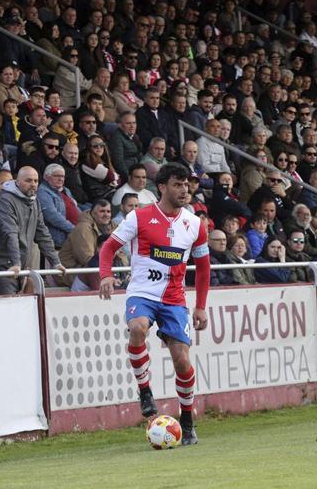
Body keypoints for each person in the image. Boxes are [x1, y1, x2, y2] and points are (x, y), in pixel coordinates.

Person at [98, 162, 211, 446]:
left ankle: (187, 419)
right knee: (137, 328)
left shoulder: (195, 224)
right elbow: (109, 247)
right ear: (161, 187)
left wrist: (200, 305)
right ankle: (145, 391)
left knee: (182, 361)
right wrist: (106, 275)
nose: (184, 190)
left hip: (174, 299)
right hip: (142, 293)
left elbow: (203, 267)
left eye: (186, 185)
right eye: (177, 184)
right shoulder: (139, 217)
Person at [0, 166, 65, 295]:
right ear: (17, 182)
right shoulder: (5, 201)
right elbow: (10, 233)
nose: (33, 184)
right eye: (28, 180)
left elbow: (43, 234)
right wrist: (16, 263)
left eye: (36, 181)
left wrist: (56, 262)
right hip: (3, 266)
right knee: (8, 304)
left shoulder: (34, 201)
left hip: (19, 267)